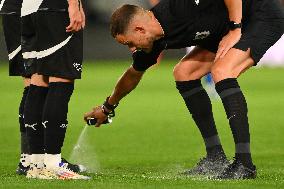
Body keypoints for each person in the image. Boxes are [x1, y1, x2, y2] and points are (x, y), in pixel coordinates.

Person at [84, 0, 284, 179]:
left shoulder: (180, 7)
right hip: (226, 27)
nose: (131, 49)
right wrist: (107, 107)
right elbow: (133, 74)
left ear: (139, 30)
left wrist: (234, 27)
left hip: (259, 14)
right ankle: (215, 157)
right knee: (184, 72)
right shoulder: (152, 41)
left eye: (129, 43)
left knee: (223, 71)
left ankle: (244, 164)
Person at [21, 0, 89, 179]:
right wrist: (74, 5)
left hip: (28, 8)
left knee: (38, 79)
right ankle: (53, 164)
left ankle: (37, 164)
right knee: (61, 78)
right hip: (54, 7)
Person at [0, 0, 31, 175]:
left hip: (19, 10)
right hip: (23, 10)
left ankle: (32, 157)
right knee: (36, 82)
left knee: (37, 82)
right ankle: (30, 158)